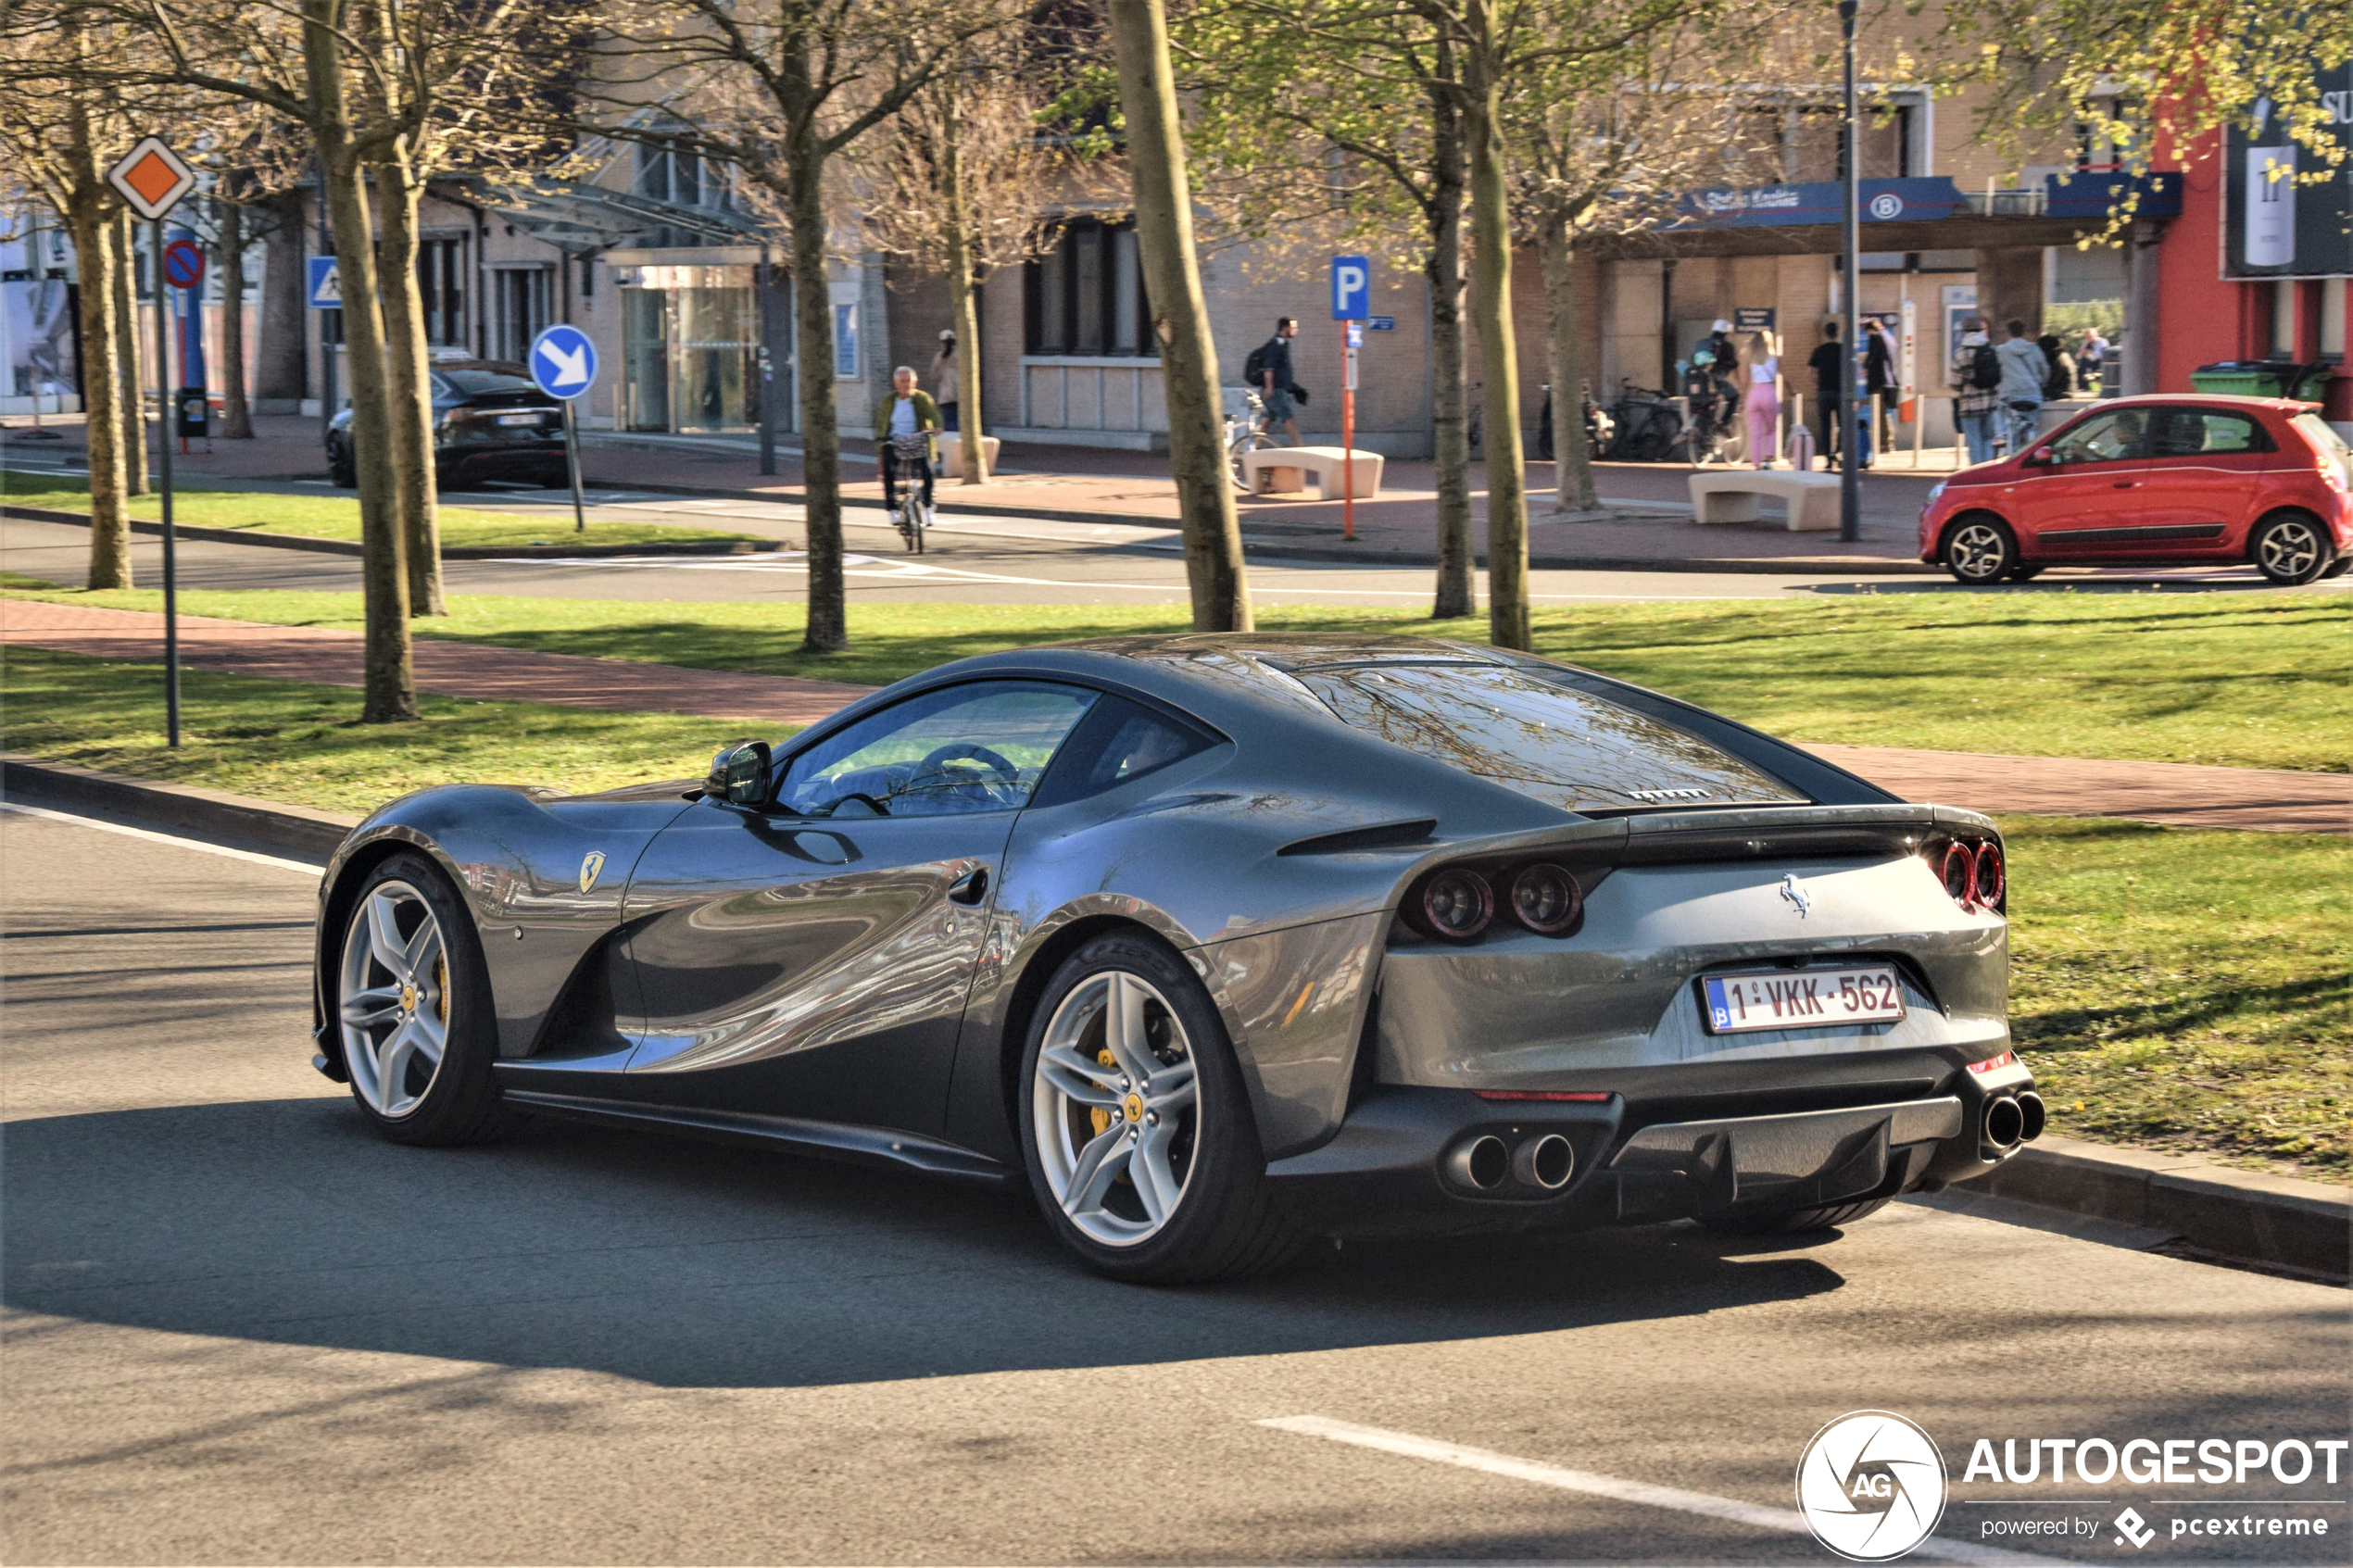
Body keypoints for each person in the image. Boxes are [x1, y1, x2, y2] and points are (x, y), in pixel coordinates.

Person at [873, 365, 939, 532]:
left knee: (928, 470)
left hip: (917, 440)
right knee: (888, 471)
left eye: (909, 381)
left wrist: (937, 426)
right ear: (895, 384)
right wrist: (880, 450)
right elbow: (881, 426)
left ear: (915, 382)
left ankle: (928, 507)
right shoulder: (889, 401)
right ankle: (893, 509)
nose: (906, 384)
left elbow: (933, 414)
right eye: (902, 381)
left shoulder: (922, 398)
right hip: (894, 441)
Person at [1994, 319, 2051, 456]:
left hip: (2009, 395)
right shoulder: (2034, 348)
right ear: (2023, 332)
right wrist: (2041, 384)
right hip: (2033, 394)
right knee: (2032, 424)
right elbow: (2045, 370)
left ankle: (2002, 437)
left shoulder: (2000, 350)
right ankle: (2032, 445)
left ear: (2008, 333)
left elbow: (1996, 372)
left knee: (1999, 409)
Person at [1952, 316, 2000, 466]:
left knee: (1974, 442)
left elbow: (1955, 382)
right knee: (1987, 439)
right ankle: (1987, 471)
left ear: (1965, 331)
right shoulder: (1991, 349)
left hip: (1969, 404)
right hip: (1990, 402)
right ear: (1980, 330)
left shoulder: (1961, 353)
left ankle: (1977, 472)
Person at [1806, 320, 1847, 469]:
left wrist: (1818, 382)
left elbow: (1810, 372)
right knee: (1843, 424)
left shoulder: (1819, 350)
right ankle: (1839, 451)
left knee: (1825, 426)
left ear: (1825, 333)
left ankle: (1828, 458)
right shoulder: (1843, 350)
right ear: (1837, 334)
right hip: (1840, 392)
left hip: (1824, 392)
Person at [1255, 316, 1302, 445]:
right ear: (1285, 327)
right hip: (1276, 390)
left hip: (1278, 388)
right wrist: (1269, 387)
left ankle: (1253, 449)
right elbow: (1268, 368)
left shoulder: (1282, 344)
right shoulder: (1275, 344)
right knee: (1289, 419)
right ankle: (1300, 449)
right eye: (1293, 327)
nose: (1296, 330)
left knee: (1266, 420)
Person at [1743, 332, 1781, 470]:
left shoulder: (1750, 358)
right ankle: (1768, 459)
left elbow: (1746, 381)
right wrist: (1792, 390)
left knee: (1755, 431)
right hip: (1769, 393)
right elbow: (1785, 376)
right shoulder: (1775, 358)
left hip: (1754, 394)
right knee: (1771, 429)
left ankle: (1756, 462)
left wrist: (1742, 400)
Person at [1862, 319, 1896, 469]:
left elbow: (1872, 356)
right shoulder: (1888, 336)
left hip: (1878, 379)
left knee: (1878, 412)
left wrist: (1865, 366)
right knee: (1883, 412)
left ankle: (1883, 443)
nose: (1867, 334)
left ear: (1870, 329)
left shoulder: (1875, 337)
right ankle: (1888, 442)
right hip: (1888, 379)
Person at [928, 330, 960, 432]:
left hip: (946, 396)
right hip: (960, 396)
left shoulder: (939, 357)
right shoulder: (961, 355)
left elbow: (934, 376)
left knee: (949, 422)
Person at [2036, 332, 2075, 403]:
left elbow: (2052, 380)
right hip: (2066, 390)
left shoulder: (2056, 359)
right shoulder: (2063, 355)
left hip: (2061, 392)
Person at [2077, 326, 2108, 393]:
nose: (2088, 339)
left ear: (2095, 335)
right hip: (2089, 363)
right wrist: (2082, 352)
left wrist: (2090, 352)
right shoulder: (2086, 344)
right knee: (2080, 369)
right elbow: (2078, 357)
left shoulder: (2102, 342)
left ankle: (2097, 388)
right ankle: (2083, 388)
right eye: (2086, 337)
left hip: (2100, 362)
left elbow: (2102, 354)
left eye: (2090, 336)